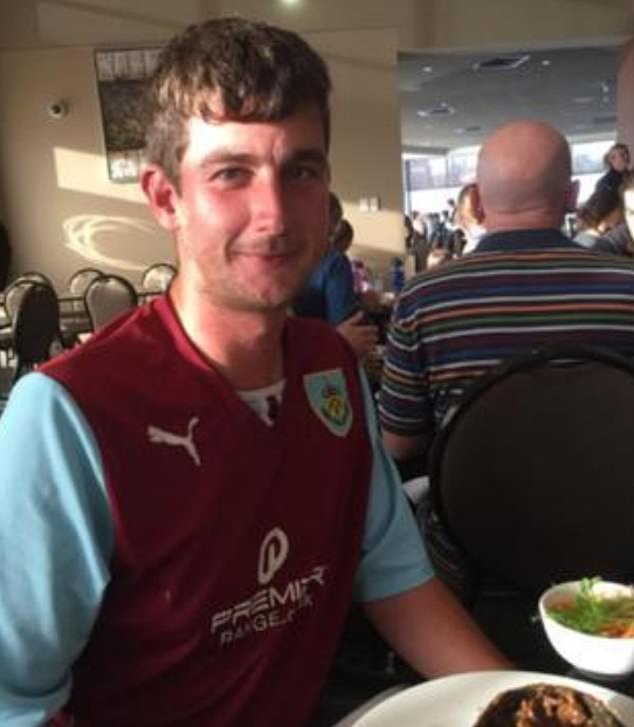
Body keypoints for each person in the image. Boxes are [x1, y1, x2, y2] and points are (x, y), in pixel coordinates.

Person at [0, 17, 509, 727]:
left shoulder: (330, 366)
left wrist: (528, 709)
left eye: (299, 170)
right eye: (230, 173)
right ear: (166, 197)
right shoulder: (65, 412)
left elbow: (396, 576)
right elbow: (16, 700)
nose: (274, 214)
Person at [380, 120, 634, 469]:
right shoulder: (627, 286)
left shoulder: (422, 299)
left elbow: (400, 443)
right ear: (573, 195)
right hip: (616, 515)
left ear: (480, 202)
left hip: (468, 518)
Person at [294, 212, 378, 357]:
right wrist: (364, 306)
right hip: (325, 364)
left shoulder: (289, 263)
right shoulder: (335, 262)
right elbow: (347, 324)